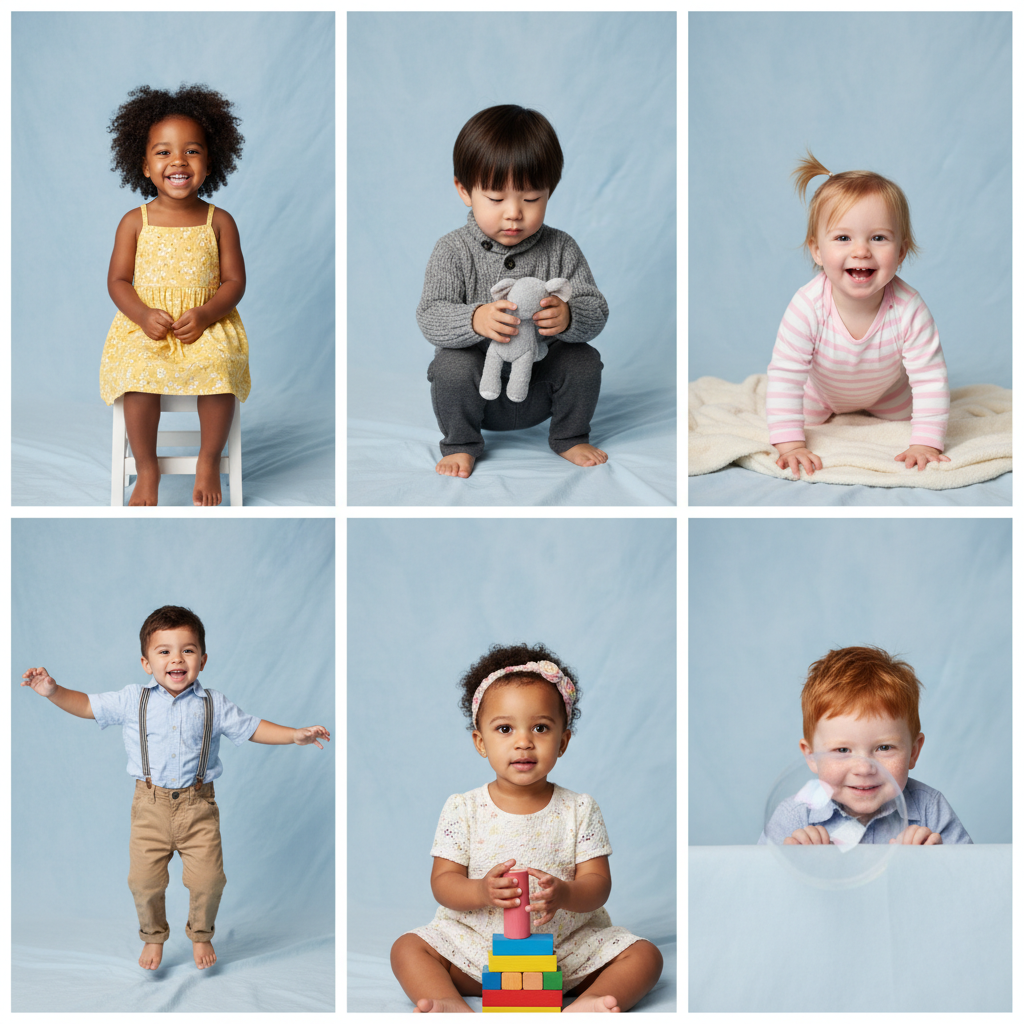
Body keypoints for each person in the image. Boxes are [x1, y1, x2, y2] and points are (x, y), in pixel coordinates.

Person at [21, 605, 330, 971]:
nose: (176, 659)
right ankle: (153, 937)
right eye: (164, 651)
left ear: (202, 658)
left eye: (187, 649)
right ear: (146, 663)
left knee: (210, 880)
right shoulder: (133, 698)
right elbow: (87, 705)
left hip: (198, 806)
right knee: (143, 881)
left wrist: (294, 735)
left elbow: (252, 727)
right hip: (149, 806)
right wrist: (52, 690)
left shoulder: (214, 703)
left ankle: (201, 933)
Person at [390, 644, 663, 1012]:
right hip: (479, 952)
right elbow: (443, 882)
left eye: (540, 727)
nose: (523, 741)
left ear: (563, 742)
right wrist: (481, 891)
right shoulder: (463, 808)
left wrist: (565, 894)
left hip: (563, 953)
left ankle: (593, 1000)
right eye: (505, 728)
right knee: (407, 948)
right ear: (480, 742)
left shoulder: (579, 808)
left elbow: (599, 885)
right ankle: (446, 1001)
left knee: (646, 956)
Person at [417, 105, 609, 479]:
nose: (514, 213)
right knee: (450, 367)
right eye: (495, 198)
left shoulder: (561, 247)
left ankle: (569, 435)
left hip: (540, 385)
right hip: (479, 391)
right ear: (464, 190)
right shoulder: (452, 250)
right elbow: (430, 315)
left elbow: (595, 307)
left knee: (584, 360)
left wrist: (569, 317)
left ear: (549, 192)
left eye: (531, 199)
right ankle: (461, 443)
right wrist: (474, 319)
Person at [100, 84, 251, 506]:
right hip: (147, 328)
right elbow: (117, 281)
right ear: (144, 166)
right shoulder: (135, 221)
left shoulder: (219, 221)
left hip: (205, 325)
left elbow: (235, 283)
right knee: (138, 375)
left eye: (192, 151)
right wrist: (143, 315)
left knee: (219, 369)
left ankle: (208, 458)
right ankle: (148, 469)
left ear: (210, 161)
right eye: (163, 152)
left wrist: (205, 315)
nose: (178, 161)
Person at [767, 151, 950, 478]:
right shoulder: (807, 306)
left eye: (878, 238)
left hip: (888, 393)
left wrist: (926, 443)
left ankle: (893, 415)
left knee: (911, 416)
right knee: (796, 417)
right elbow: (786, 375)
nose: (861, 250)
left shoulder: (909, 307)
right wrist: (791, 445)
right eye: (843, 238)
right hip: (819, 395)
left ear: (901, 252)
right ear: (817, 250)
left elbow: (929, 378)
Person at [759, 646, 971, 845]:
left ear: (914, 752)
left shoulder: (930, 810)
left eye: (884, 748)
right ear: (811, 756)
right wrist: (797, 866)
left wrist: (937, 863)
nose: (864, 768)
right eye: (842, 750)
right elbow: (757, 881)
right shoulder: (794, 817)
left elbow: (973, 879)